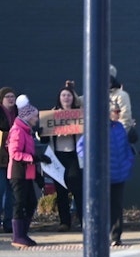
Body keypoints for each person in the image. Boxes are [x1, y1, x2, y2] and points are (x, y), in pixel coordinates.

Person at [77, 103, 136, 246]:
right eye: (116, 111)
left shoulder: (120, 127)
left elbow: (126, 147)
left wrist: (128, 161)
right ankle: (100, 234)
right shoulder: (96, 128)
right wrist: (93, 164)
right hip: (103, 175)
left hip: (119, 174)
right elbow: (81, 147)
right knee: (102, 206)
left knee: (117, 206)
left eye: (119, 111)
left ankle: (116, 236)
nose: (118, 114)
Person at [9, 95, 49, 247]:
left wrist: (37, 174)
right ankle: (17, 236)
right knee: (20, 203)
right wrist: (34, 158)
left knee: (31, 202)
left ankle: (23, 233)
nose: (37, 119)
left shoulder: (26, 131)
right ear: (27, 116)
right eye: (35, 116)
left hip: (27, 172)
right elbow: (15, 154)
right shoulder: (18, 131)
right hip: (18, 173)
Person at [46, 84, 84, 232]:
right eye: (63, 95)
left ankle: (83, 220)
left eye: (69, 95)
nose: (66, 98)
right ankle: (64, 222)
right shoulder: (52, 114)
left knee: (77, 189)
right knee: (60, 191)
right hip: (58, 155)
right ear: (59, 98)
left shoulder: (79, 114)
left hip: (74, 155)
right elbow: (44, 137)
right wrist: (44, 132)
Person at [0, 87, 17, 234]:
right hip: (1, 158)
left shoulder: (18, 112)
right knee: (2, 190)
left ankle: (8, 223)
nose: (11, 99)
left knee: (11, 192)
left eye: (13, 96)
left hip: (14, 158)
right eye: (8, 97)